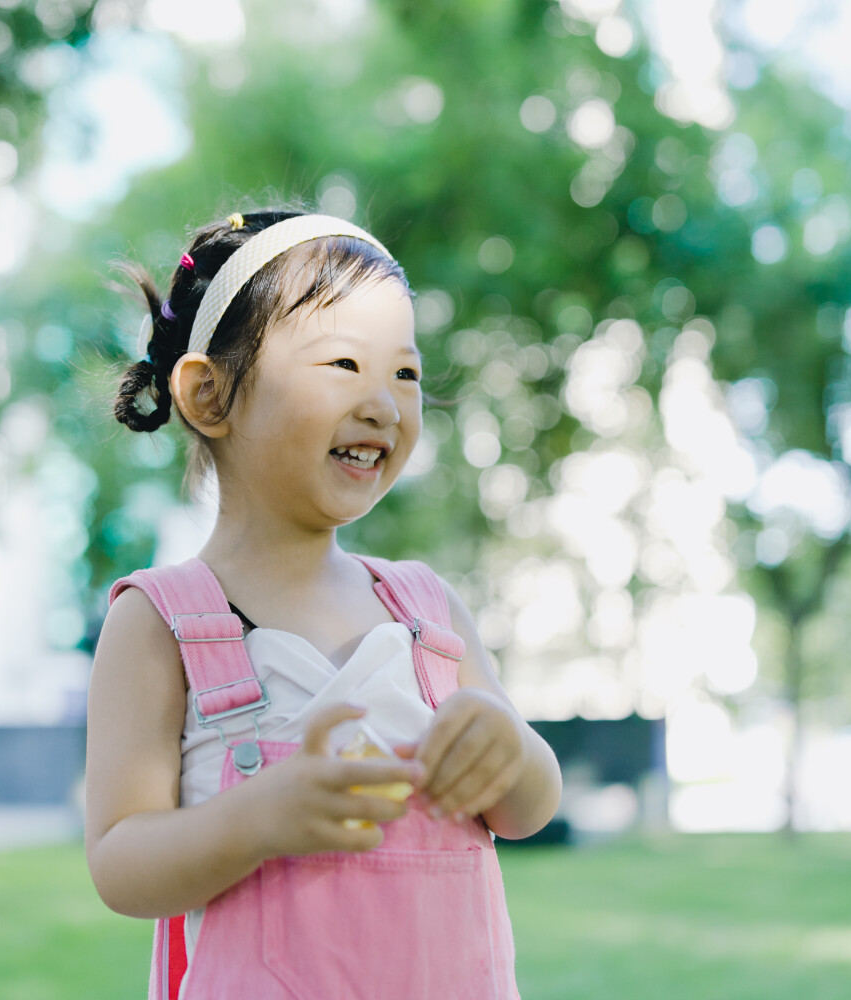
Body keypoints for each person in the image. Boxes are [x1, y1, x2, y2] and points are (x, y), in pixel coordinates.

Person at [85, 209, 562, 1000]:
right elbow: (120, 864)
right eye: (342, 363)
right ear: (209, 395)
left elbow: (528, 809)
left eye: (404, 373)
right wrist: (255, 819)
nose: (383, 402)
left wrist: (509, 748)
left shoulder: (427, 615)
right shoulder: (159, 623)